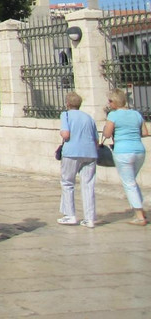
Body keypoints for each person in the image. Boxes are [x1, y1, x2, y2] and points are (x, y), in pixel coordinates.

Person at [101, 89, 148, 226]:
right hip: (139, 150)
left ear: (115, 102)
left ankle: (139, 216)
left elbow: (108, 134)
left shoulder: (113, 115)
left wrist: (106, 128)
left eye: (110, 101)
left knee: (129, 183)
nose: (109, 104)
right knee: (132, 181)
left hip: (123, 151)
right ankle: (140, 211)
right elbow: (144, 132)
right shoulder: (136, 114)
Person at [57, 91, 98, 228]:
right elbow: (96, 139)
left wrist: (62, 133)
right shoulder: (88, 117)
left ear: (67, 103)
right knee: (88, 185)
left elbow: (66, 134)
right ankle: (89, 218)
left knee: (68, 182)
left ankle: (70, 215)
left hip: (72, 153)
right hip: (90, 153)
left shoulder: (66, 115)